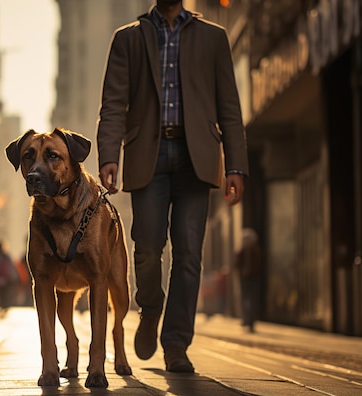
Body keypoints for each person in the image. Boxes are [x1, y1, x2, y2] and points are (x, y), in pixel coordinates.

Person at [96, 0, 249, 373]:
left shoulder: (213, 37)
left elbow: (229, 105)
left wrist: (236, 165)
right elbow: (114, 103)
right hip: (147, 153)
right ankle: (150, 307)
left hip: (196, 156)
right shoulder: (128, 39)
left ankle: (177, 344)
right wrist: (108, 155)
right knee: (147, 245)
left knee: (189, 254)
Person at [235, 228, 262, 333]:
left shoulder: (255, 251)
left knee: (252, 300)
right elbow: (237, 264)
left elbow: (259, 265)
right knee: (245, 299)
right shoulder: (241, 251)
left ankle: (251, 322)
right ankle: (246, 320)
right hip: (244, 278)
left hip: (253, 278)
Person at [0, 241, 19, 316]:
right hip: (5, 280)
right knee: (3, 294)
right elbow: (11, 268)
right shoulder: (6, 257)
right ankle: (3, 307)